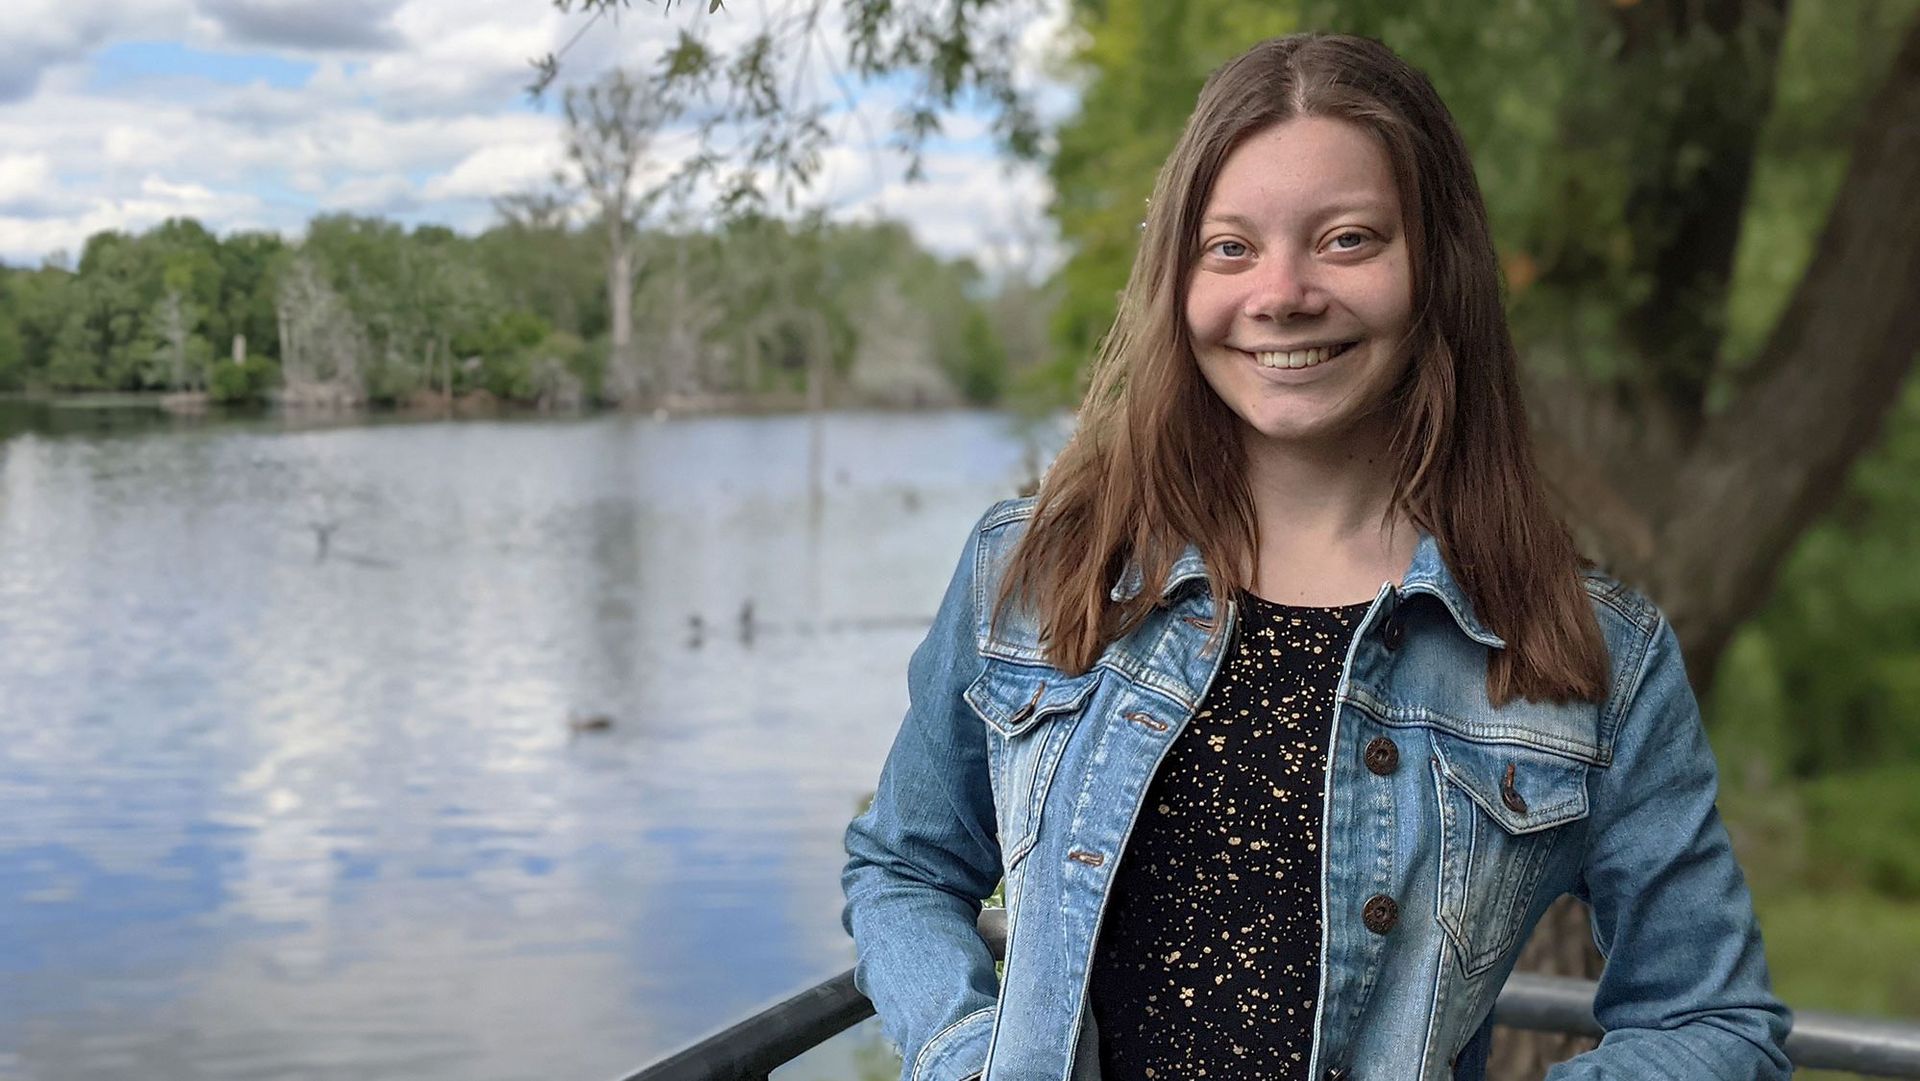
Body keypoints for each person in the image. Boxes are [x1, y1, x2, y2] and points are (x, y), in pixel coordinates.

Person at [841, 31, 1790, 1081]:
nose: (1282, 292)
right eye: (1231, 247)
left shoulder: (1592, 651)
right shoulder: (1032, 568)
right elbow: (904, 867)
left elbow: (1714, 1022)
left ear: (1437, 266)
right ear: (1177, 282)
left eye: (1346, 240)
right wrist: (965, 1052)